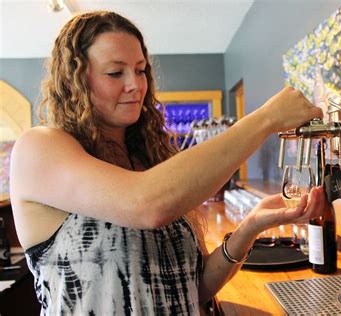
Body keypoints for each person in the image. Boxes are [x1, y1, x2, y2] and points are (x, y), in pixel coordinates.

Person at [9, 11, 325, 315]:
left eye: (140, 69)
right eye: (115, 72)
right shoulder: (39, 148)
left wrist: (251, 226)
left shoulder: (150, 158)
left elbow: (195, 288)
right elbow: (146, 204)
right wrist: (266, 119)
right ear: (75, 80)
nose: (135, 84)